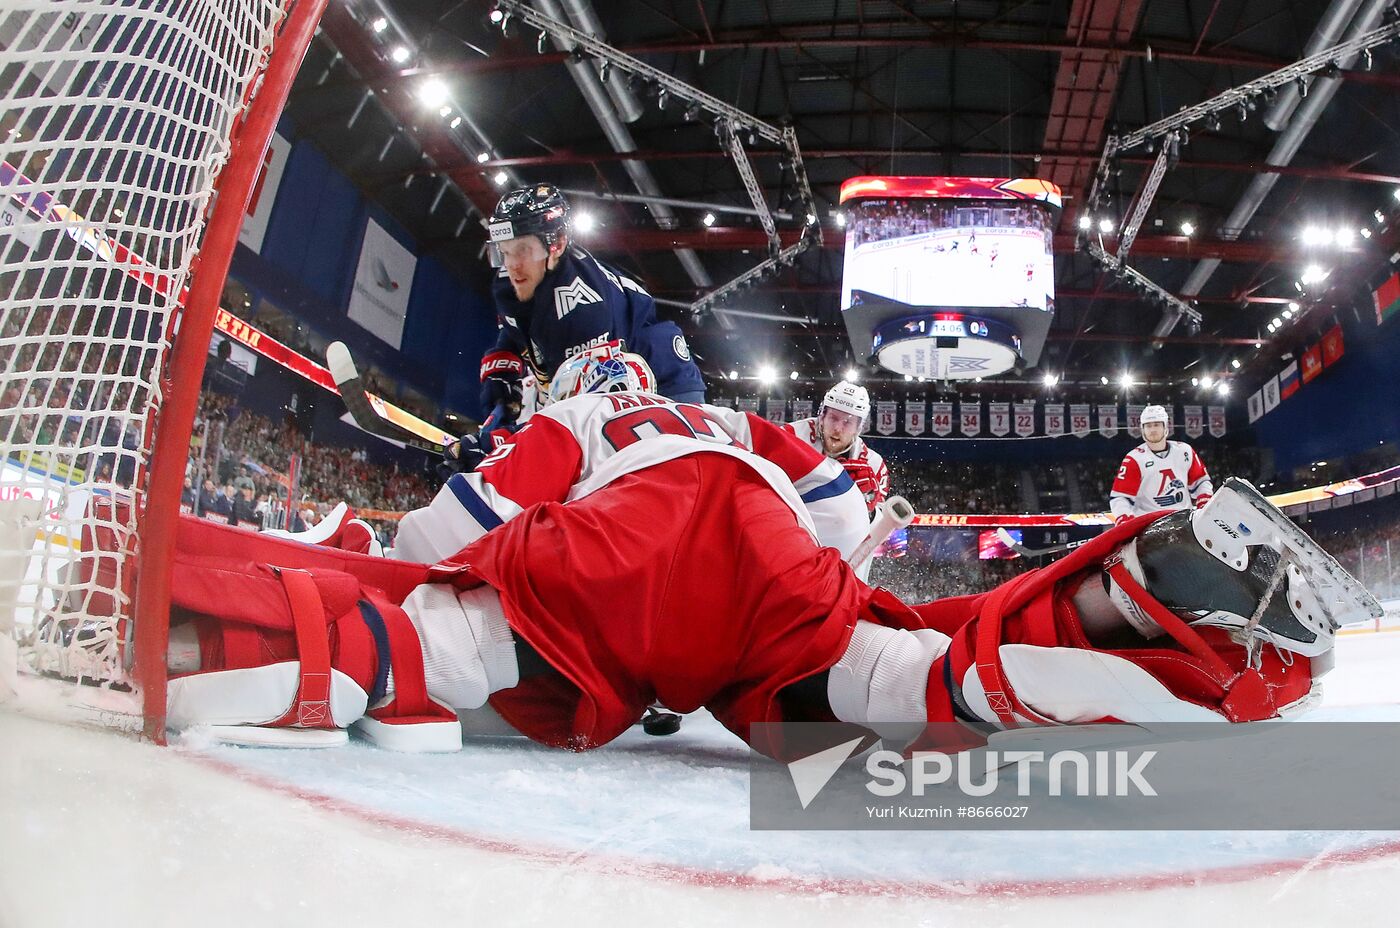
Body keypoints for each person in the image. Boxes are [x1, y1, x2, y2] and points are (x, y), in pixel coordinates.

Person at [161, 443, 1373, 754]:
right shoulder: (758, 433)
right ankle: (1129, 617)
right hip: (763, 547)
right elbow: (837, 523)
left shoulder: (575, 413)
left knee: (447, 636)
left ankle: (191, 632)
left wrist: (410, 550)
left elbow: (441, 531)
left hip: (622, 543)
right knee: (886, 668)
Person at [476, 184, 706, 445]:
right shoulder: (510, 281)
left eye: (523, 250)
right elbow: (514, 328)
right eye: (504, 251)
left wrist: (500, 443)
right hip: (601, 373)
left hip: (666, 385)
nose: (512, 265)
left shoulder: (582, 311)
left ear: (558, 244)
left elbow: (576, 423)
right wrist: (502, 376)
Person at [786, 381, 890, 517]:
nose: (837, 429)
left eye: (847, 422)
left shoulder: (874, 466)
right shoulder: (791, 436)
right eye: (833, 418)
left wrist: (867, 509)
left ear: (858, 428)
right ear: (822, 417)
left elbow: (878, 528)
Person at [1110, 404, 1213, 524]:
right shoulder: (1134, 459)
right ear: (1142, 429)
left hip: (1183, 522)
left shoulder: (1184, 451)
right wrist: (1125, 520)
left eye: (1157, 424)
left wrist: (1204, 501)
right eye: (1148, 426)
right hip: (1148, 526)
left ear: (1165, 426)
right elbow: (1120, 498)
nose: (1153, 430)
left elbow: (1201, 481)